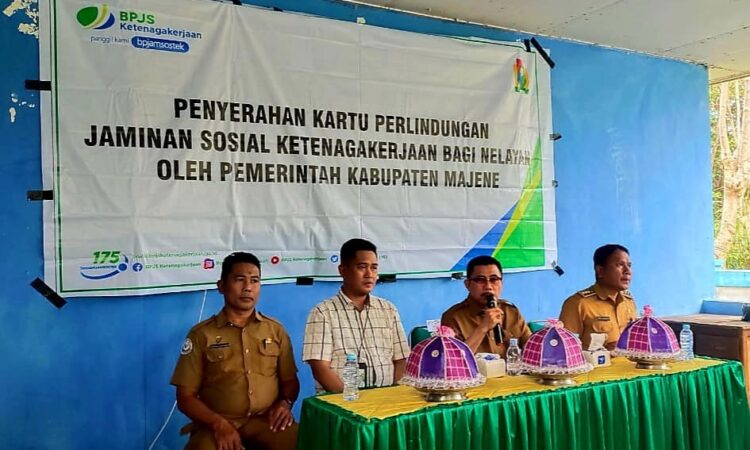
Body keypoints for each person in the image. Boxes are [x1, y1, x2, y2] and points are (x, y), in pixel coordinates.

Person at [171, 252, 299, 450]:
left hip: (265, 421)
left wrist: (285, 403)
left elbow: (290, 382)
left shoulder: (275, 330)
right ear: (221, 286)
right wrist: (218, 424)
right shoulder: (201, 334)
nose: (248, 287)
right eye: (239, 279)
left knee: (305, 442)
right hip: (215, 423)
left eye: (254, 280)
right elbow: (185, 397)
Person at [303, 238, 410, 392]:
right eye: (362, 267)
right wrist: (351, 400)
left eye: (374, 268)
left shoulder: (388, 309)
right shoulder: (322, 313)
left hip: (385, 400)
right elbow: (320, 368)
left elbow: (400, 360)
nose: (369, 274)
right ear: (343, 270)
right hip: (341, 401)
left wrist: (393, 395)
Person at [441, 255, 532, 356]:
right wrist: (483, 327)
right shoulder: (453, 317)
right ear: (467, 284)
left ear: (501, 283)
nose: (488, 286)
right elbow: (455, 359)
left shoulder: (511, 311)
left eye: (494, 279)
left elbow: (532, 349)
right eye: (480, 280)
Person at [559, 244, 637, 350]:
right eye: (620, 265)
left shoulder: (628, 301)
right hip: (597, 361)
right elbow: (566, 349)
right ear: (600, 271)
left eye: (629, 265)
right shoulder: (578, 303)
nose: (628, 271)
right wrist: (605, 351)